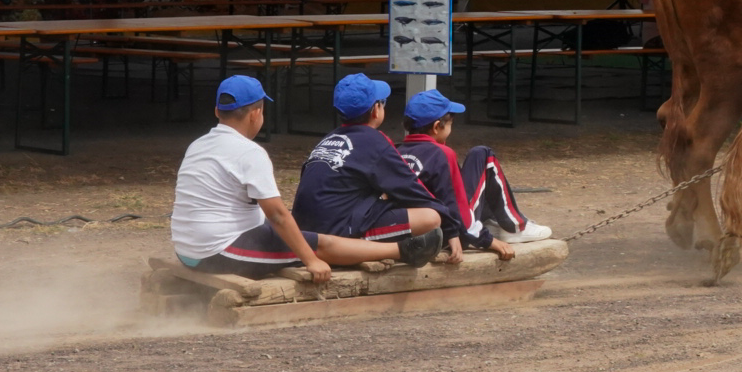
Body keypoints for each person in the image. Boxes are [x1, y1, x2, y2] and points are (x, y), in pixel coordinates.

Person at [171, 76, 441, 278]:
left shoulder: (199, 144)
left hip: (188, 250)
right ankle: (405, 251)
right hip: (218, 252)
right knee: (321, 245)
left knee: (304, 235)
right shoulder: (248, 152)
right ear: (256, 114)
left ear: (218, 111)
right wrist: (310, 260)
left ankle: (363, 252)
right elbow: (277, 215)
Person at [291, 73, 457, 247]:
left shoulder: (329, 138)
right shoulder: (375, 141)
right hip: (335, 233)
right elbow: (410, 189)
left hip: (305, 229)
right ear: (376, 110)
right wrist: (451, 227)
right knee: (430, 218)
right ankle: (357, 247)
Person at [397, 89, 552, 260]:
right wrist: (488, 241)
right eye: (450, 124)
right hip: (454, 235)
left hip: (420, 229)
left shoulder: (396, 152)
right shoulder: (442, 153)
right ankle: (515, 227)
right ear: (436, 127)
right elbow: (455, 204)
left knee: (477, 160)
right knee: (483, 155)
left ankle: (488, 222)